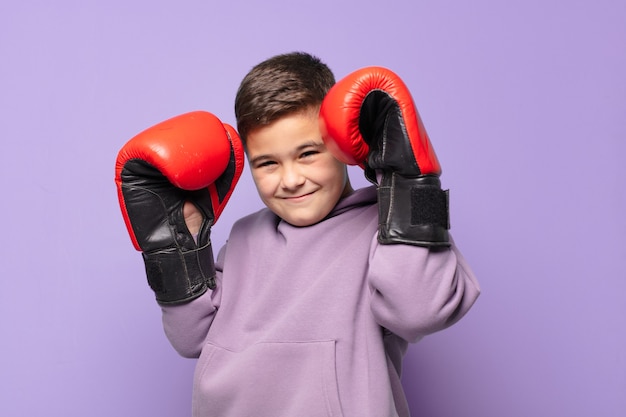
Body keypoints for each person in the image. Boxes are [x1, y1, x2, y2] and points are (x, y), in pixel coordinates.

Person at [115, 51, 480, 417]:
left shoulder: (383, 228)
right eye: (268, 163)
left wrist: (411, 182)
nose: (290, 180)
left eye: (307, 153)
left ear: (343, 145)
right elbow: (189, 338)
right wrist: (178, 242)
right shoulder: (244, 236)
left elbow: (419, 310)